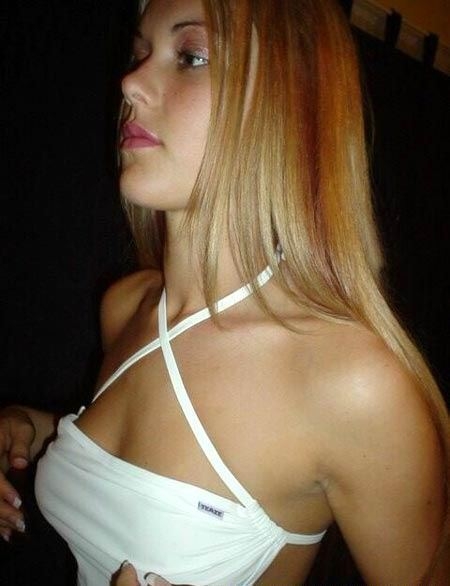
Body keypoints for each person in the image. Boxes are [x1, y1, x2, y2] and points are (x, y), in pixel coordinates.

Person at [0, 0, 448, 584]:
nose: (130, 82)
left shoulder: (353, 384)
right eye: (140, 51)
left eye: (191, 56)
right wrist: (27, 427)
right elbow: (131, 464)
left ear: (289, 104)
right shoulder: (129, 305)